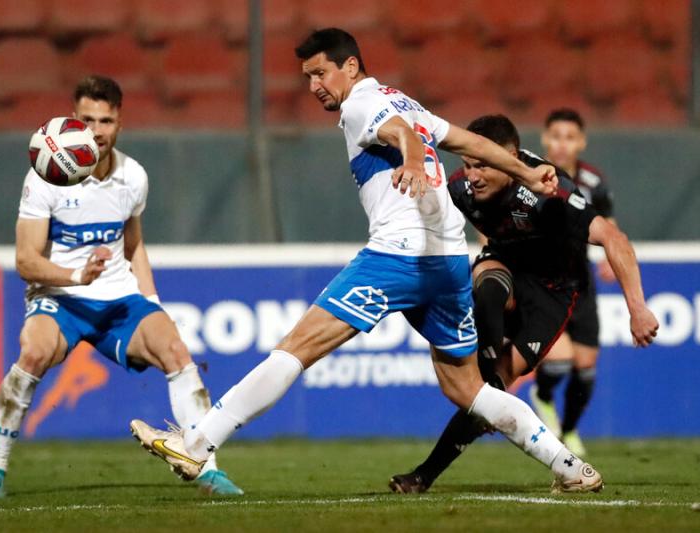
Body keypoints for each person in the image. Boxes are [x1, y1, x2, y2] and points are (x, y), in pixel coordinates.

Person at [129, 28, 605, 494]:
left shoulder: (362, 104)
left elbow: (399, 134)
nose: (314, 86)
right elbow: (466, 141)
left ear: (350, 67)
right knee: (470, 390)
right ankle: (567, 465)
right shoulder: (404, 100)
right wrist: (525, 169)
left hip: (397, 255)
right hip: (447, 262)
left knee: (297, 346)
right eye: (307, 77)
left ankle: (198, 441)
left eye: (320, 73)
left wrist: (414, 160)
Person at [0, 75, 242, 498]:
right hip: (60, 298)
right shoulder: (46, 176)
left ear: (119, 124)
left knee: (175, 350)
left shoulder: (133, 176)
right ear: (72, 121)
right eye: (86, 119)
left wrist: (153, 304)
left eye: (106, 120)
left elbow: (134, 245)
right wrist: (75, 277)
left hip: (118, 298)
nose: (96, 130)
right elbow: (26, 260)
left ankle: (206, 468)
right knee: (34, 351)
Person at [388, 114, 658, 493]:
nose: (473, 176)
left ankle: (433, 462)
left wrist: (638, 308)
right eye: (468, 164)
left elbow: (614, 238)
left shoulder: (551, 191)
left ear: (510, 158)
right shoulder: (458, 189)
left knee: (492, 391)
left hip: (553, 291)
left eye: (482, 164)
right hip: (505, 265)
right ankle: (424, 474)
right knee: (489, 287)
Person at [529, 109, 617, 457]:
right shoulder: (530, 174)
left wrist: (613, 253)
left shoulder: (594, 182)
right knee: (559, 362)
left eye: (570, 137)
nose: (562, 144)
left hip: (581, 279)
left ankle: (568, 430)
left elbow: (609, 223)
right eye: (556, 136)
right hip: (541, 281)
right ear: (544, 138)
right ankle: (543, 395)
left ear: (581, 141)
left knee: (586, 371)